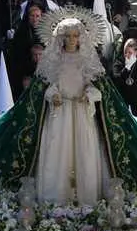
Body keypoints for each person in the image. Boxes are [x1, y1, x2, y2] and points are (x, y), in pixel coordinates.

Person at [34, 14, 111, 205]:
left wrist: (89, 94)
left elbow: (97, 88)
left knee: (85, 151)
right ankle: (56, 197)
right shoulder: (54, 59)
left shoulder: (86, 60)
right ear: (61, 37)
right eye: (67, 36)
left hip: (82, 111)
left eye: (75, 35)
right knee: (58, 152)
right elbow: (47, 86)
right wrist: (53, 95)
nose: (71, 40)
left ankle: (86, 196)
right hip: (60, 113)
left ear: (81, 37)